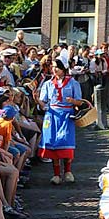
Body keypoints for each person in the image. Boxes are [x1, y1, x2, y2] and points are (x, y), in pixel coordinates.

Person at [34, 56, 83, 185]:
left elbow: (79, 101)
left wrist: (73, 101)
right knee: (53, 143)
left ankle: (68, 171)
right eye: (53, 67)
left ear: (63, 68)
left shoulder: (73, 83)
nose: (55, 69)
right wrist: (37, 99)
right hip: (52, 115)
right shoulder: (48, 84)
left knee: (65, 141)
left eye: (57, 67)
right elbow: (43, 104)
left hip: (66, 115)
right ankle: (56, 174)